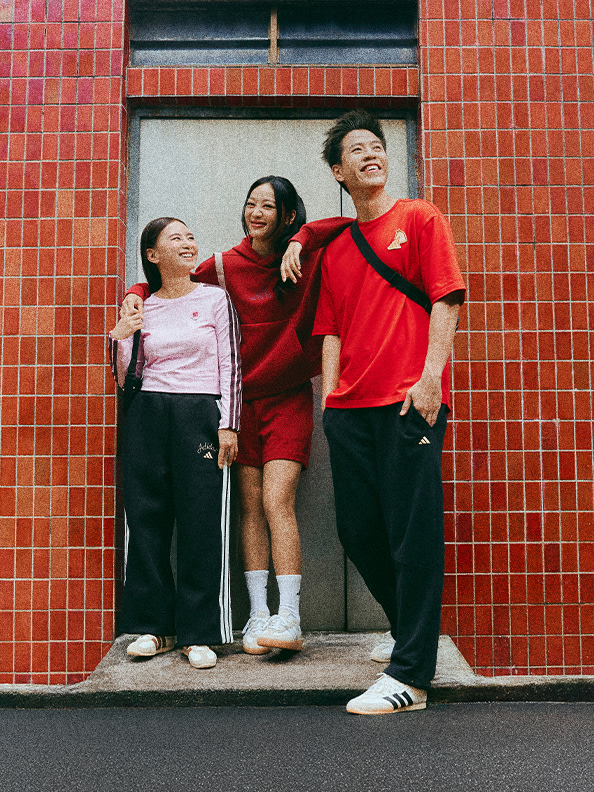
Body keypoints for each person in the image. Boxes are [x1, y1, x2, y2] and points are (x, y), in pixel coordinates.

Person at [123, 180, 350, 655]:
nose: (256, 212)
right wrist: (137, 290)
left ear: (288, 215)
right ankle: (257, 616)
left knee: (276, 500)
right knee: (247, 507)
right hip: (242, 402)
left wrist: (303, 240)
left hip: (284, 396)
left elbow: (350, 224)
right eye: (251, 204)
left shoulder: (306, 256)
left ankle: (288, 615)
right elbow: (170, 275)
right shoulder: (224, 265)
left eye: (268, 205)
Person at [309, 110, 466, 714]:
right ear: (339, 171)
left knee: (413, 534)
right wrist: (329, 398)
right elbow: (330, 331)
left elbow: (446, 300)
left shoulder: (420, 219)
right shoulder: (339, 250)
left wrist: (431, 380)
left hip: (408, 401)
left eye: (377, 145)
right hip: (350, 409)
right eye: (357, 148)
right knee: (359, 531)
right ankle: (412, 634)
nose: (372, 153)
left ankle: (411, 677)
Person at [108, 217, 241, 669]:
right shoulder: (142, 306)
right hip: (147, 413)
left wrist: (229, 424)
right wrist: (121, 338)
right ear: (152, 256)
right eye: (174, 239)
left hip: (200, 414)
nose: (187, 243)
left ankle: (199, 632)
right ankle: (155, 627)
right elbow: (126, 376)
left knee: (202, 520)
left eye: (189, 236)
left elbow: (231, 365)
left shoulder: (215, 299)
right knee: (146, 519)